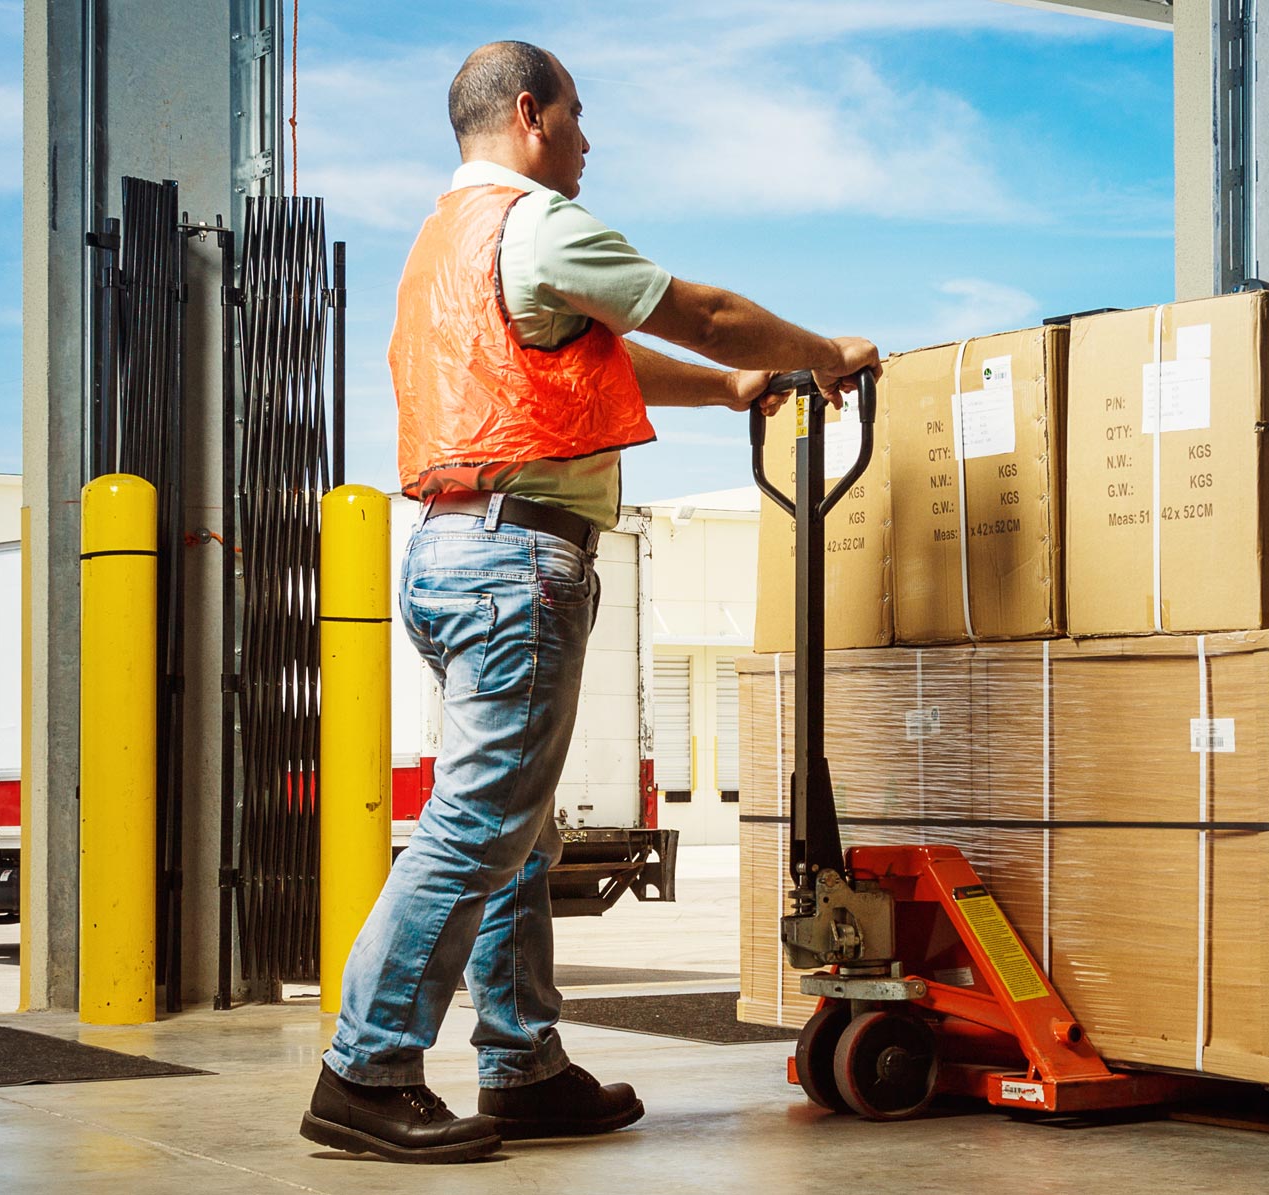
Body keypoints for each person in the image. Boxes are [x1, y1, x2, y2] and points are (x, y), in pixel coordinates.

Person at [299, 39, 881, 1165]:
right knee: (478, 825)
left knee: (514, 829)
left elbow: (604, 356)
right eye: (577, 117)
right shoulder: (539, 223)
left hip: (448, 550)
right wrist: (821, 354)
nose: (587, 141)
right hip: (517, 561)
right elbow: (698, 310)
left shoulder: (444, 245)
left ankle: (522, 1065)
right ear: (530, 113)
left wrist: (726, 391)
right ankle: (364, 1067)